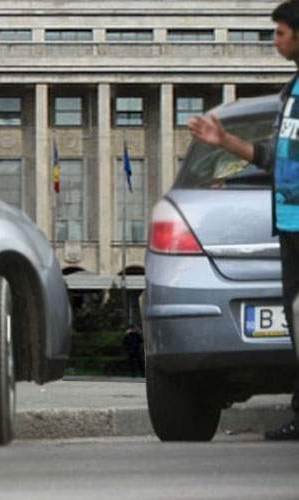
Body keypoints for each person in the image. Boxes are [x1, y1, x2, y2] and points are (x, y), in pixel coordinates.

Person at [188, 0, 299, 440]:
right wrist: (225, 141)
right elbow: (276, 157)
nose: (274, 40)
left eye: (279, 32)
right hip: (290, 224)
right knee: (296, 320)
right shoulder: (292, 91)